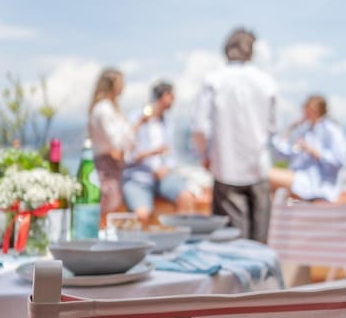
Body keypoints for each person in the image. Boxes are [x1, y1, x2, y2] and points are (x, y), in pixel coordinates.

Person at [192, 27, 277, 242]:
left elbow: (200, 128)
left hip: (225, 169)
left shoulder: (213, 80)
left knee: (232, 245)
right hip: (258, 168)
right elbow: (273, 127)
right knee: (260, 243)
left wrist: (205, 156)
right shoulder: (266, 81)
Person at [121, 80, 194, 225]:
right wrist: (152, 151)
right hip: (138, 179)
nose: (174, 100)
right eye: (172, 96)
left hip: (163, 178)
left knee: (186, 198)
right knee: (142, 214)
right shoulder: (135, 118)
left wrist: (167, 168)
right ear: (164, 95)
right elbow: (126, 154)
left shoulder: (168, 122)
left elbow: (172, 153)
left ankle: (181, 242)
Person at [88, 67, 147, 217]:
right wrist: (138, 124)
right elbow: (117, 142)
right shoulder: (104, 109)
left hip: (113, 166)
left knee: (111, 209)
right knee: (107, 210)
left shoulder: (108, 108)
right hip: (107, 166)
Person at [269, 94, 346, 202]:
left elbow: (339, 161)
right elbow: (280, 156)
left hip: (315, 184)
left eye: (306, 108)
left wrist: (312, 151)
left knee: (265, 176)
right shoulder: (304, 131)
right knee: (263, 183)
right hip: (299, 178)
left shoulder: (331, 130)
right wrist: (289, 129)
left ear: (315, 110)